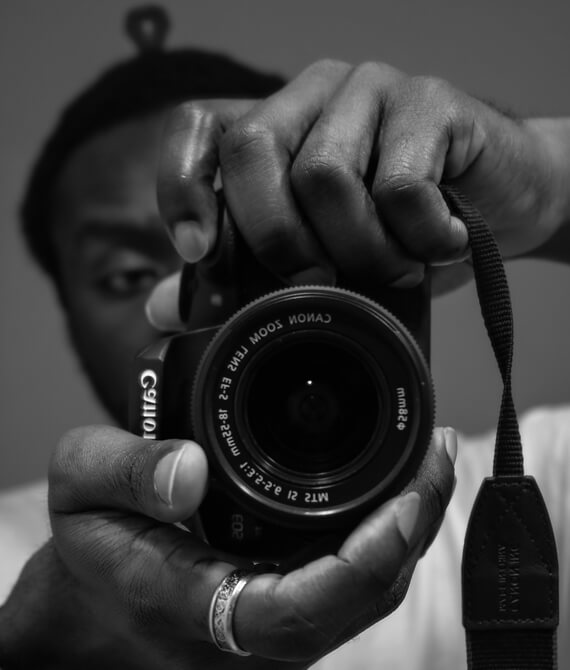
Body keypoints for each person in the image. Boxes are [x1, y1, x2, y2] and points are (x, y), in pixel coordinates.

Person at [0, 7, 569, 669]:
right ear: (66, 308)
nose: (185, 301)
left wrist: (547, 185)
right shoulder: (16, 557)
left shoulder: (524, 494)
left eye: (247, 259)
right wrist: (38, 637)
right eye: (126, 273)